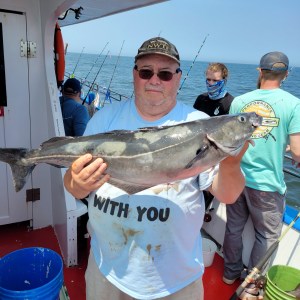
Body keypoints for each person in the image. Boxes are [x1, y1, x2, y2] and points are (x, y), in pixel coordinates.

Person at [63, 37, 248, 300]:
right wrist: (77, 184)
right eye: (146, 72)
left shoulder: (200, 123)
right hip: (107, 270)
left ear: (178, 78)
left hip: (176, 281)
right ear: (134, 74)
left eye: (165, 73)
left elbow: (228, 196)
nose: (155, 80)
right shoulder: (104, 119)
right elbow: (70, 183)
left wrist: (232, 161)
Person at [223, 51, 300, 285]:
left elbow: (229, 140)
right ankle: (251, 284)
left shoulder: (239, 101)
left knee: (233, 228)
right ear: (286, 74)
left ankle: (229, 274)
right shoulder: (294, 104)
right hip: (267, 185)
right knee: (266, 235)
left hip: (236, 177)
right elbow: (298, 151)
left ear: (259, 71)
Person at [193, 63, 234, 208]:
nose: (211, 83)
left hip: (216, 156)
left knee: (205, 195)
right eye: (208, 79)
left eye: (215, 80)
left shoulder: (230, 103)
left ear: (224, 80)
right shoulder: (200, 99)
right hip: (196, 151)